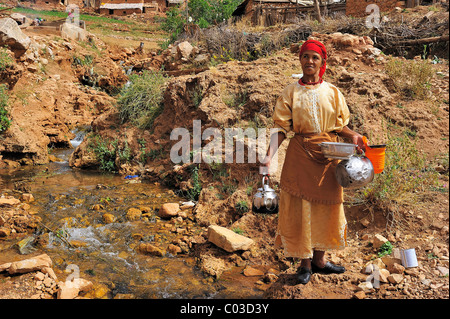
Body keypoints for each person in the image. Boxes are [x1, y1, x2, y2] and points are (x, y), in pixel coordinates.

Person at [261, 39, 365, 284]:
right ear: (300, 60)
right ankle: (305, 264)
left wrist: (355, 136)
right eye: (306, 56)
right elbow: (280, 129)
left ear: (322, 63)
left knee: (327, 208)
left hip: (329, 156)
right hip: (300, 155)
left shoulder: (332, 92)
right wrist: (267, 158)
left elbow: (341, 127)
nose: (310, 61)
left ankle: (320, 260)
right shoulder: (290, 93)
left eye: (315, 57)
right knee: (302, 209)